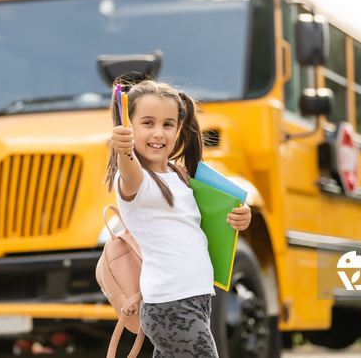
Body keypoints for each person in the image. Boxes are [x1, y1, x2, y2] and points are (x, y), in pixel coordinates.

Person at [104, 80, 252, 358]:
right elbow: (129, 169)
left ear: (179, 129)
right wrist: (123, 149)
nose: (158, 133)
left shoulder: (180, 176)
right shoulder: (137, 181)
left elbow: (211, 222)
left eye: (168, 124)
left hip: (195, 300)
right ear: (129, 126)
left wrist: (242, 216)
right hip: (170, 305)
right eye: (147, 123)